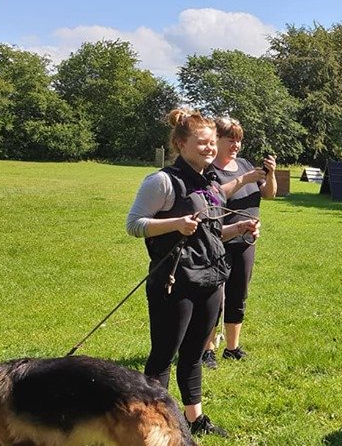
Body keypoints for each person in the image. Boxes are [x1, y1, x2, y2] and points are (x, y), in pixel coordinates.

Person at [125, 108, 259, 437]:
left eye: (212, 142)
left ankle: (194, 419)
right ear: (180, 144)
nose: (209, 148)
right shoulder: (162, 181)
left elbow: (209, 233)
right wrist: (176, 223)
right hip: (175, 282)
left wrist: (239, 228)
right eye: (202, 143)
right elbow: (134, 224)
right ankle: (154, 425)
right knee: (163, 356)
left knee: (194, 354)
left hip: (211, 279)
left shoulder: (212, 182)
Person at [200, 116, 276, 368]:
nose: (236, 145)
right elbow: (214, 198)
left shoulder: (244, 164)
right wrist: (244, 179)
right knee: (213, 296)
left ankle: (232, 348)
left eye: (239, 140)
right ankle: (207, 350)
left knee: (238, 293)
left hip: (246, 241)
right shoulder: (209, 170)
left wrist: (270, 175)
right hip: (217, 241)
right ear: (217, 140)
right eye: (230, 140)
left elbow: (269, 193)